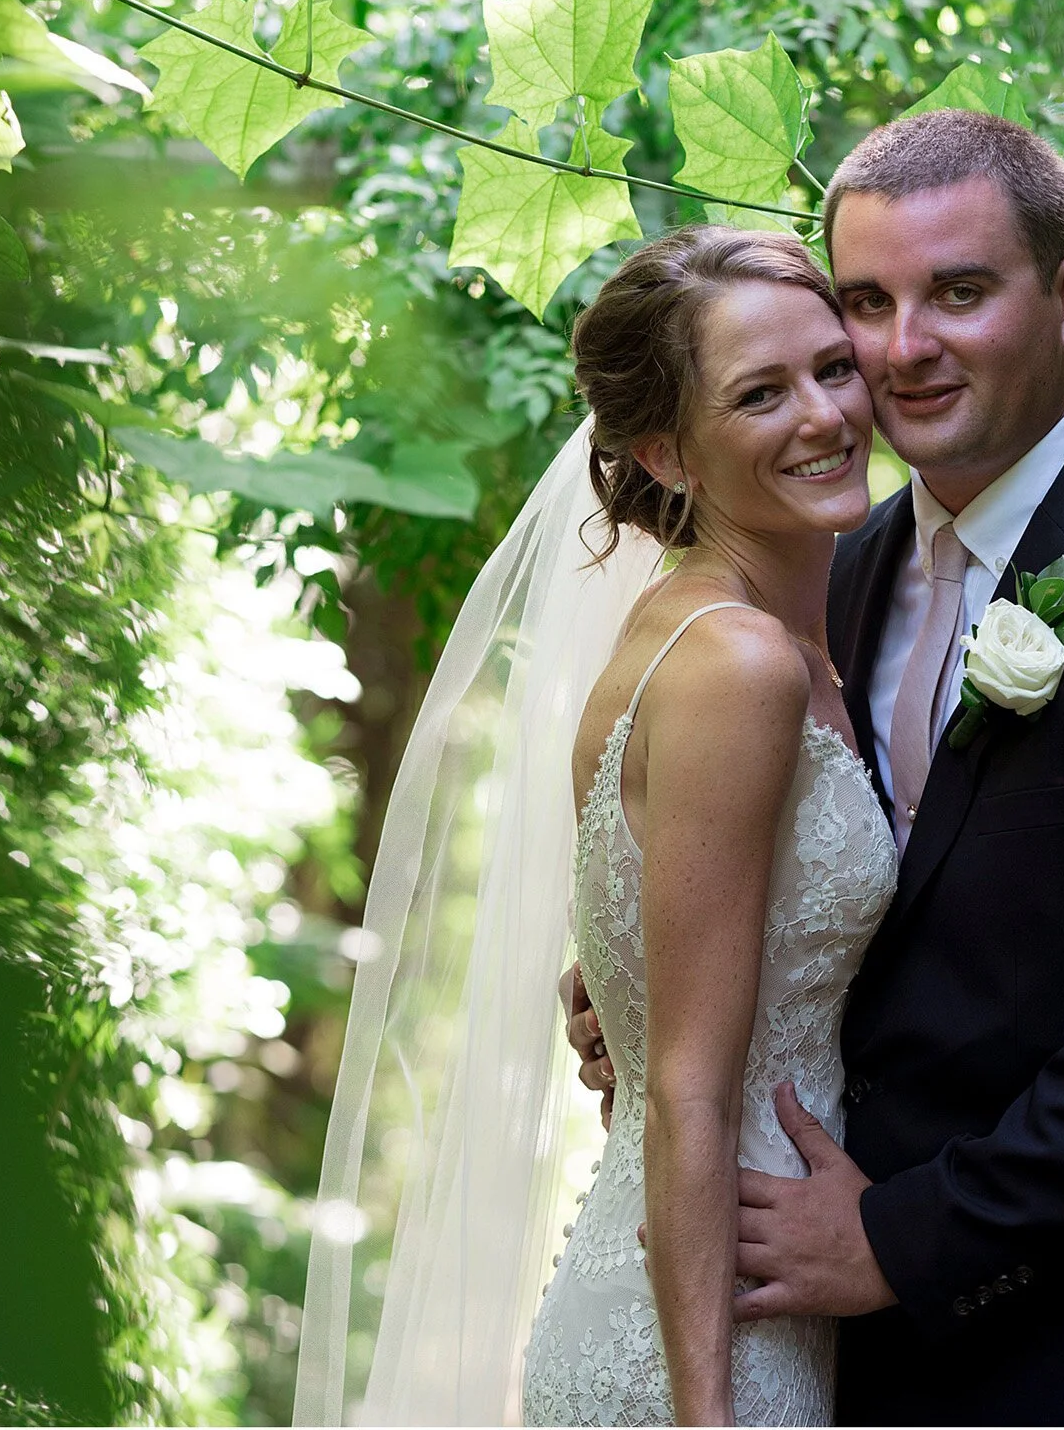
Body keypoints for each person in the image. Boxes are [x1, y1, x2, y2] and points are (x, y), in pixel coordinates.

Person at [566, 109, 1064, 1424]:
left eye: (957, 293)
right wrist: (645, 974)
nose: (903, 349)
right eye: (867, 302)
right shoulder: (848, 561)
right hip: (885, 1372)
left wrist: (907, 1240)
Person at [295, 227, 898, 1427]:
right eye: (760, 394)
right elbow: (680, 1088)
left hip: (746, 1286)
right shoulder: (735, 663)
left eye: (835, 367)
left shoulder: (732, 624)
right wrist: (706, 1413)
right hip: (716, 1333)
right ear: (665, 454)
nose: (826, 415)